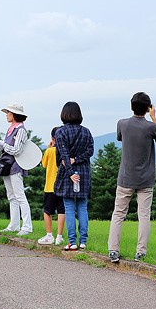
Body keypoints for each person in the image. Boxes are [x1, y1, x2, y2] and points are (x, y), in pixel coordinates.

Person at [108, 92, 156, 263]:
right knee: (144, 215)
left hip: (125, 177)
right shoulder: (150, 127)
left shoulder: (122, 124)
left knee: (118, 214)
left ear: (131, 106)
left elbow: (119, 138)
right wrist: (154, 117)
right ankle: (140, 252)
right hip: (146, 179)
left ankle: (113, 250)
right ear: (148, 108)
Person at [54, 101, 94, 251]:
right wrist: (77, 160)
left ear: (64, 114)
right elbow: (90, 151)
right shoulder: (86, 132)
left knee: (69, 208)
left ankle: (72, 242)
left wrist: (70, 171)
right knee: (82, 208)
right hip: (84, 172)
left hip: (67, 174)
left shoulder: (60, 132)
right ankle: (83, 241)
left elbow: (63, 154)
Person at [0, 103, 33, 236]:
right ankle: (14, 225)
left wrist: (2, 144)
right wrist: (1, 145)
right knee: (11, 196)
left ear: (14, 115)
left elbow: (16, 150)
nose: (7, 115)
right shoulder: (11, 129)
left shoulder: (20, 130)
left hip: (15, 166)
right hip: (8, 166)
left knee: (20, 196)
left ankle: (27, 226)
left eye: (8, 113)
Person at [37, 127, 65, 246]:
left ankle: (49, 235)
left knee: (47, 211)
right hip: (62, 186)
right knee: (61, 211)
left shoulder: (49, 151)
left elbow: (44, 164)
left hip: (50, 186)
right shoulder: (65, 151)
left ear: (53, 138)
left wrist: (49, 148)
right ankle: (59, 237)